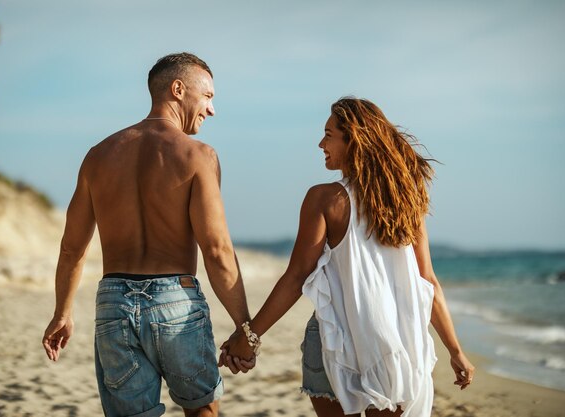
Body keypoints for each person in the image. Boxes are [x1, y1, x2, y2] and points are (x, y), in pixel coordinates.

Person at [220, 97, 475, 416]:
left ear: (353, 139)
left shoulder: (325, 199)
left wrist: (249, 336)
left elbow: (296, 277)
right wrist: (455, 350)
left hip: (334, 342)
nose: (320, 143)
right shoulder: (407, 204)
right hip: (392, 349)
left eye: (328, 134)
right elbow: (429, 282)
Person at [42, 52, 254, 417]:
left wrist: (63, 311)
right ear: (177, 89)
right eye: (207, 97)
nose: (212, 109)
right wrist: (245, 330)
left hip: (113, 302)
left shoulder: (98, 155)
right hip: (175, 301)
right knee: (202, 410)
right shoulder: (198, 155)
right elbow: (217, 250)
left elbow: (71, 248)